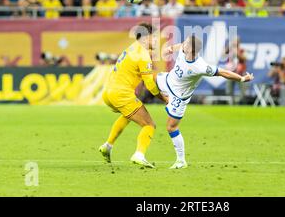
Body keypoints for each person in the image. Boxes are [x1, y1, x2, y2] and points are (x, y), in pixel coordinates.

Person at [158, 35, 254, 169]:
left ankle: (181, 161)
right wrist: (169, 49)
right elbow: (177, 46)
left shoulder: (201, 66)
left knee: (171, 127)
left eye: (185, 43)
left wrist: (242, 79)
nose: (182, 45)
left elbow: (222, 72)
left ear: (191, 49)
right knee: (148, 79)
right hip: (167, 80)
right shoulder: (184, 49)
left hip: (179, 97)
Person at [99, 23, 168, 168]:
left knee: (128, 114)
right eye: (154, 37)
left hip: (108, 93)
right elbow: (149, 85)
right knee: (149, 125)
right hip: (121, 94)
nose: (156, 41)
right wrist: (165, 99)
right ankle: (139, 155)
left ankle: (107, 146)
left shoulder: (131, 48)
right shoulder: (143, 55)